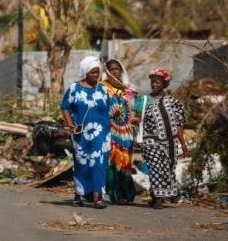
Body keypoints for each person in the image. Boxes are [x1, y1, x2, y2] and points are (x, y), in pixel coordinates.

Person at [60, 56, 111, 209]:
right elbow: (65, 107)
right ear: (85, 72)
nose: (96, 75)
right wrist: (70, 124)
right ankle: (78, 196)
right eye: (93, 72)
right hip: (80, 133)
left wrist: (113, 115)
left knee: (98, 163)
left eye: (98, 72)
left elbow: (107, 110)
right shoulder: (74, 88)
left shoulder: (103, 89)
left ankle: (97, 198)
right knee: (81, 164)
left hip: (101, 134)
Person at [142, 68, 188, 209]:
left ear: (164, 84)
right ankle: (157, 200)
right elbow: (139, 121)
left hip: (170, 143)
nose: (154, 85)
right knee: (155, 167)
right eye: (152, 82)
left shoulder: (174, 103)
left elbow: (179, 125)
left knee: (167, 169)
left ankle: (159, 196)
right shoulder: (144, 101)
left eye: (157, 82)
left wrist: (183, 144)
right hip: (150, 141)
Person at [102, 59, 136, 204]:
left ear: (121, 71)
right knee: (110, 163)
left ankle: (126, 196)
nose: (115, 72)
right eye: (112, 69)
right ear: (107, 72)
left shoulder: (129, 89)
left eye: (117, 69)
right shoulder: (102, 88)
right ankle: (112, 194)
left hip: (126, 132)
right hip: (108, 131)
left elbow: (135, 111)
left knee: (125, 163)